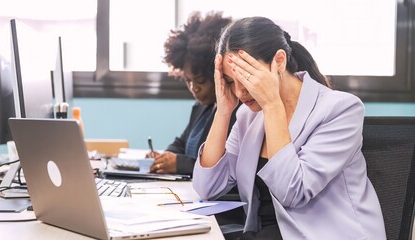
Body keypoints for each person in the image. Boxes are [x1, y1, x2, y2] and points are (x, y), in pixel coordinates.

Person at [192, 16, 386, 240]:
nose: (239, 93)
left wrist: (273, 105)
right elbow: (207, 187)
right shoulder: (248, 116)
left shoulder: (340, 109)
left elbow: (292, 192)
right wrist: (223, 111)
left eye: (246, 78)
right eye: (229, 81)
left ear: (280, 61)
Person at [147, 11, 235, 175]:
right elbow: (181, 143)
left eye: (200, 81)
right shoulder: (202, 108)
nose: (194, 88)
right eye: (188, 81)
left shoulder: (234, 112)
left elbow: (225, 168)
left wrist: (180, 164)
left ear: (218, 74)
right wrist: (164, 157)